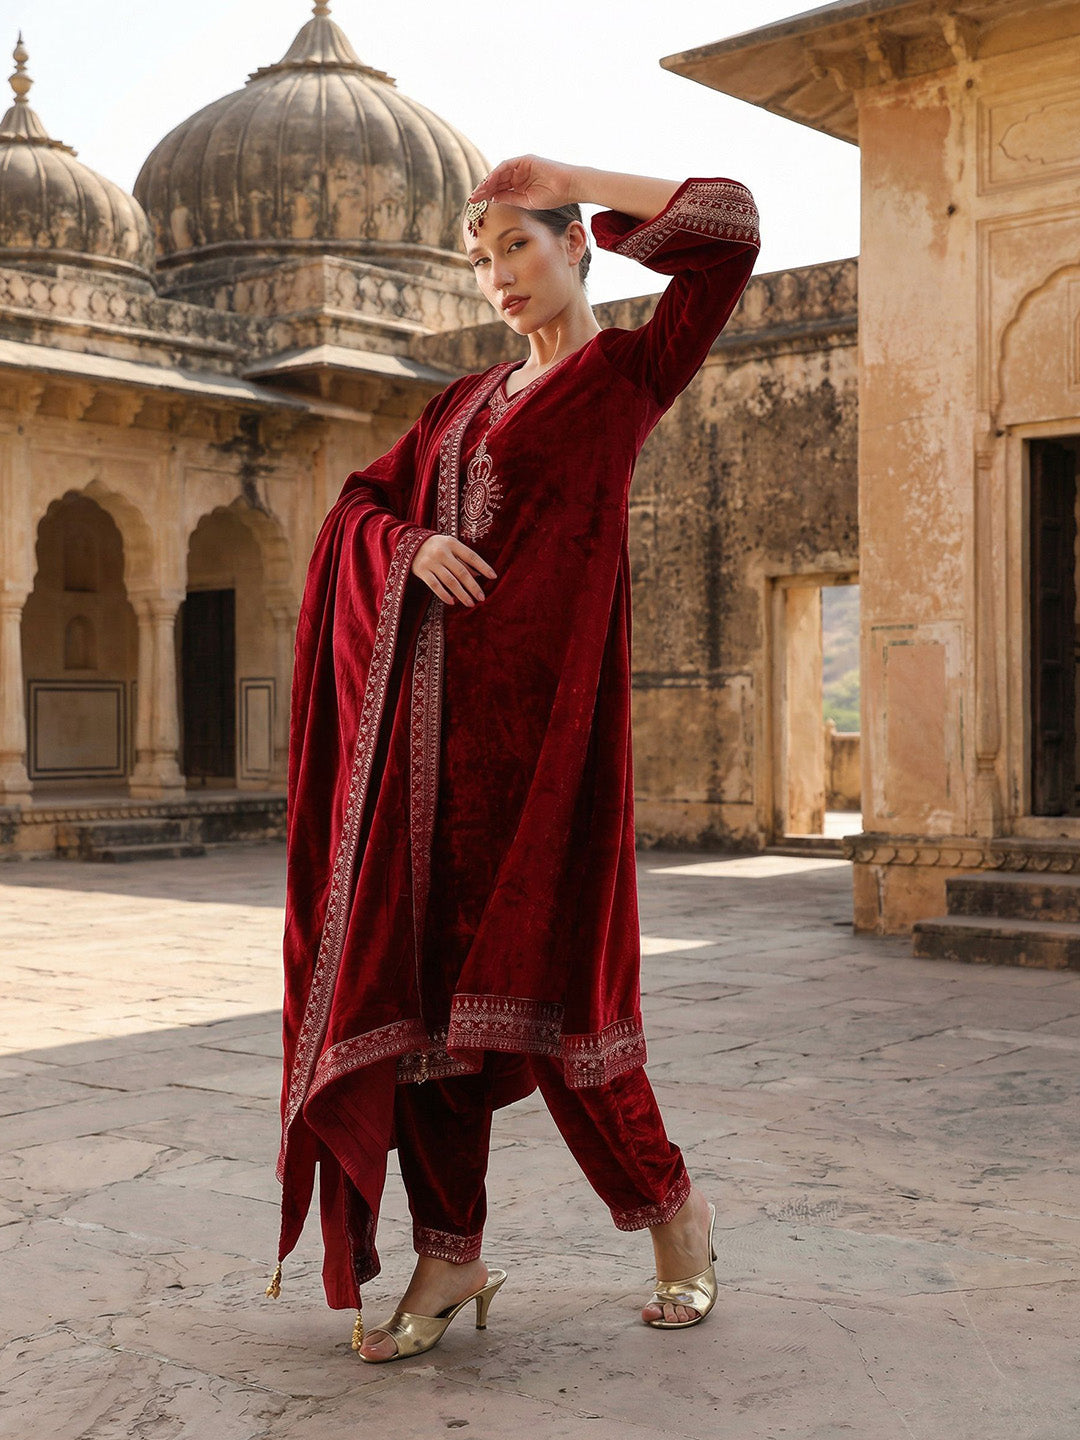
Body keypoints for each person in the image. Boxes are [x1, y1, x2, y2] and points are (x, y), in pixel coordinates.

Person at [271, 154, 760, 1362]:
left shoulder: (627, 375)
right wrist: (410, 547)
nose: (497, 275)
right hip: (430, 770)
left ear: (576, 243)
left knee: (567, 1013)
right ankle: (451, 1255)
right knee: (433, 1022)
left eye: (519, 245)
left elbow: (729, 232)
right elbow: (356, 510)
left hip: (552, 762)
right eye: (480, 257)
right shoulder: (459, 405)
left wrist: (566, 175)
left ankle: (678, 1220)